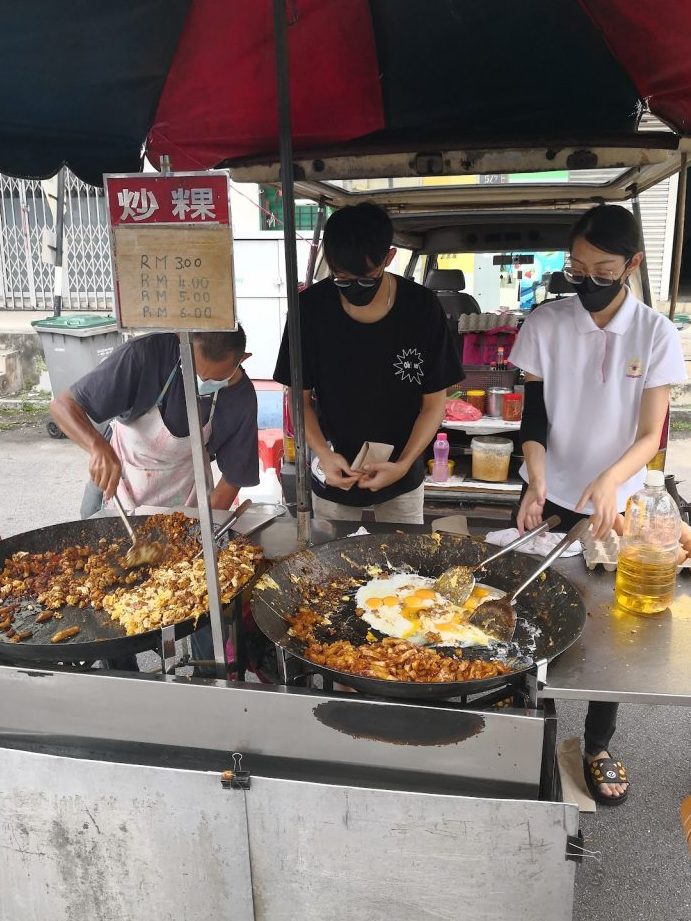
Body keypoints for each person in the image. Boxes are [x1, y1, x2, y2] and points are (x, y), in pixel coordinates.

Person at [509, 204, 687, 806]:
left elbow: (649, 434)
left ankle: (598, 745)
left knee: (609, 634)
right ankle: (538, 725)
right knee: (538, 619)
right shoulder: (545, 323)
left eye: (603, 268)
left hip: (619, 502)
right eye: (577, 267)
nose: (587, 280)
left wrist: (610, 482)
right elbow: (534, 421)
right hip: (550, 494)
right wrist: (536, 480)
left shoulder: (656, 334)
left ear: (632, 264)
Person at [50, 326, 260, 675]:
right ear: (184, 346)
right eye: (195, 373)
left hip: (186, 493)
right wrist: (96, 446)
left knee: (202, 597)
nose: (202, 384)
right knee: (106, 595)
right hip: (120, 485)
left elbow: (232, 480)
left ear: (242, 361)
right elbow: (63, 405)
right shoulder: (145, 356)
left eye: (214, 379)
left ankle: (210, 678)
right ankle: (123, 674)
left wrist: (196, 541)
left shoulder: (240, 396)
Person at [273, 203, 463, 524]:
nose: (353, 288)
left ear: (388, 259)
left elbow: (433, 405)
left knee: (405, 567)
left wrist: (403, 463)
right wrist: (323, 453)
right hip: (334, 473)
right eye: (341, 278)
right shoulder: (309, 310)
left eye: (367, 277)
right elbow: (300, 399)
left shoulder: (421, 308)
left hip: (401, 476)